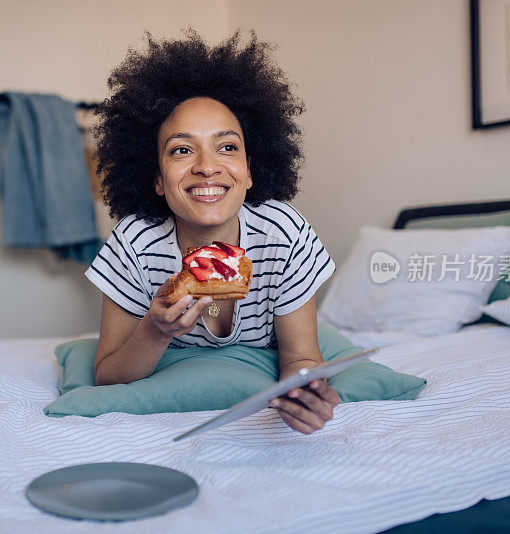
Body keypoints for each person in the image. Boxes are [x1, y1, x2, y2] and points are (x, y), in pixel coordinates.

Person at [86, 30, 339, 435]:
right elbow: (107, 376)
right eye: (182, 150)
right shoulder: (134, 242)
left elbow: (300, 356)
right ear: (156, 177)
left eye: (226, 147)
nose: (207, 166)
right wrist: (155, 329)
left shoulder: (283, 232)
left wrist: (305, 391)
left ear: (251, 170)